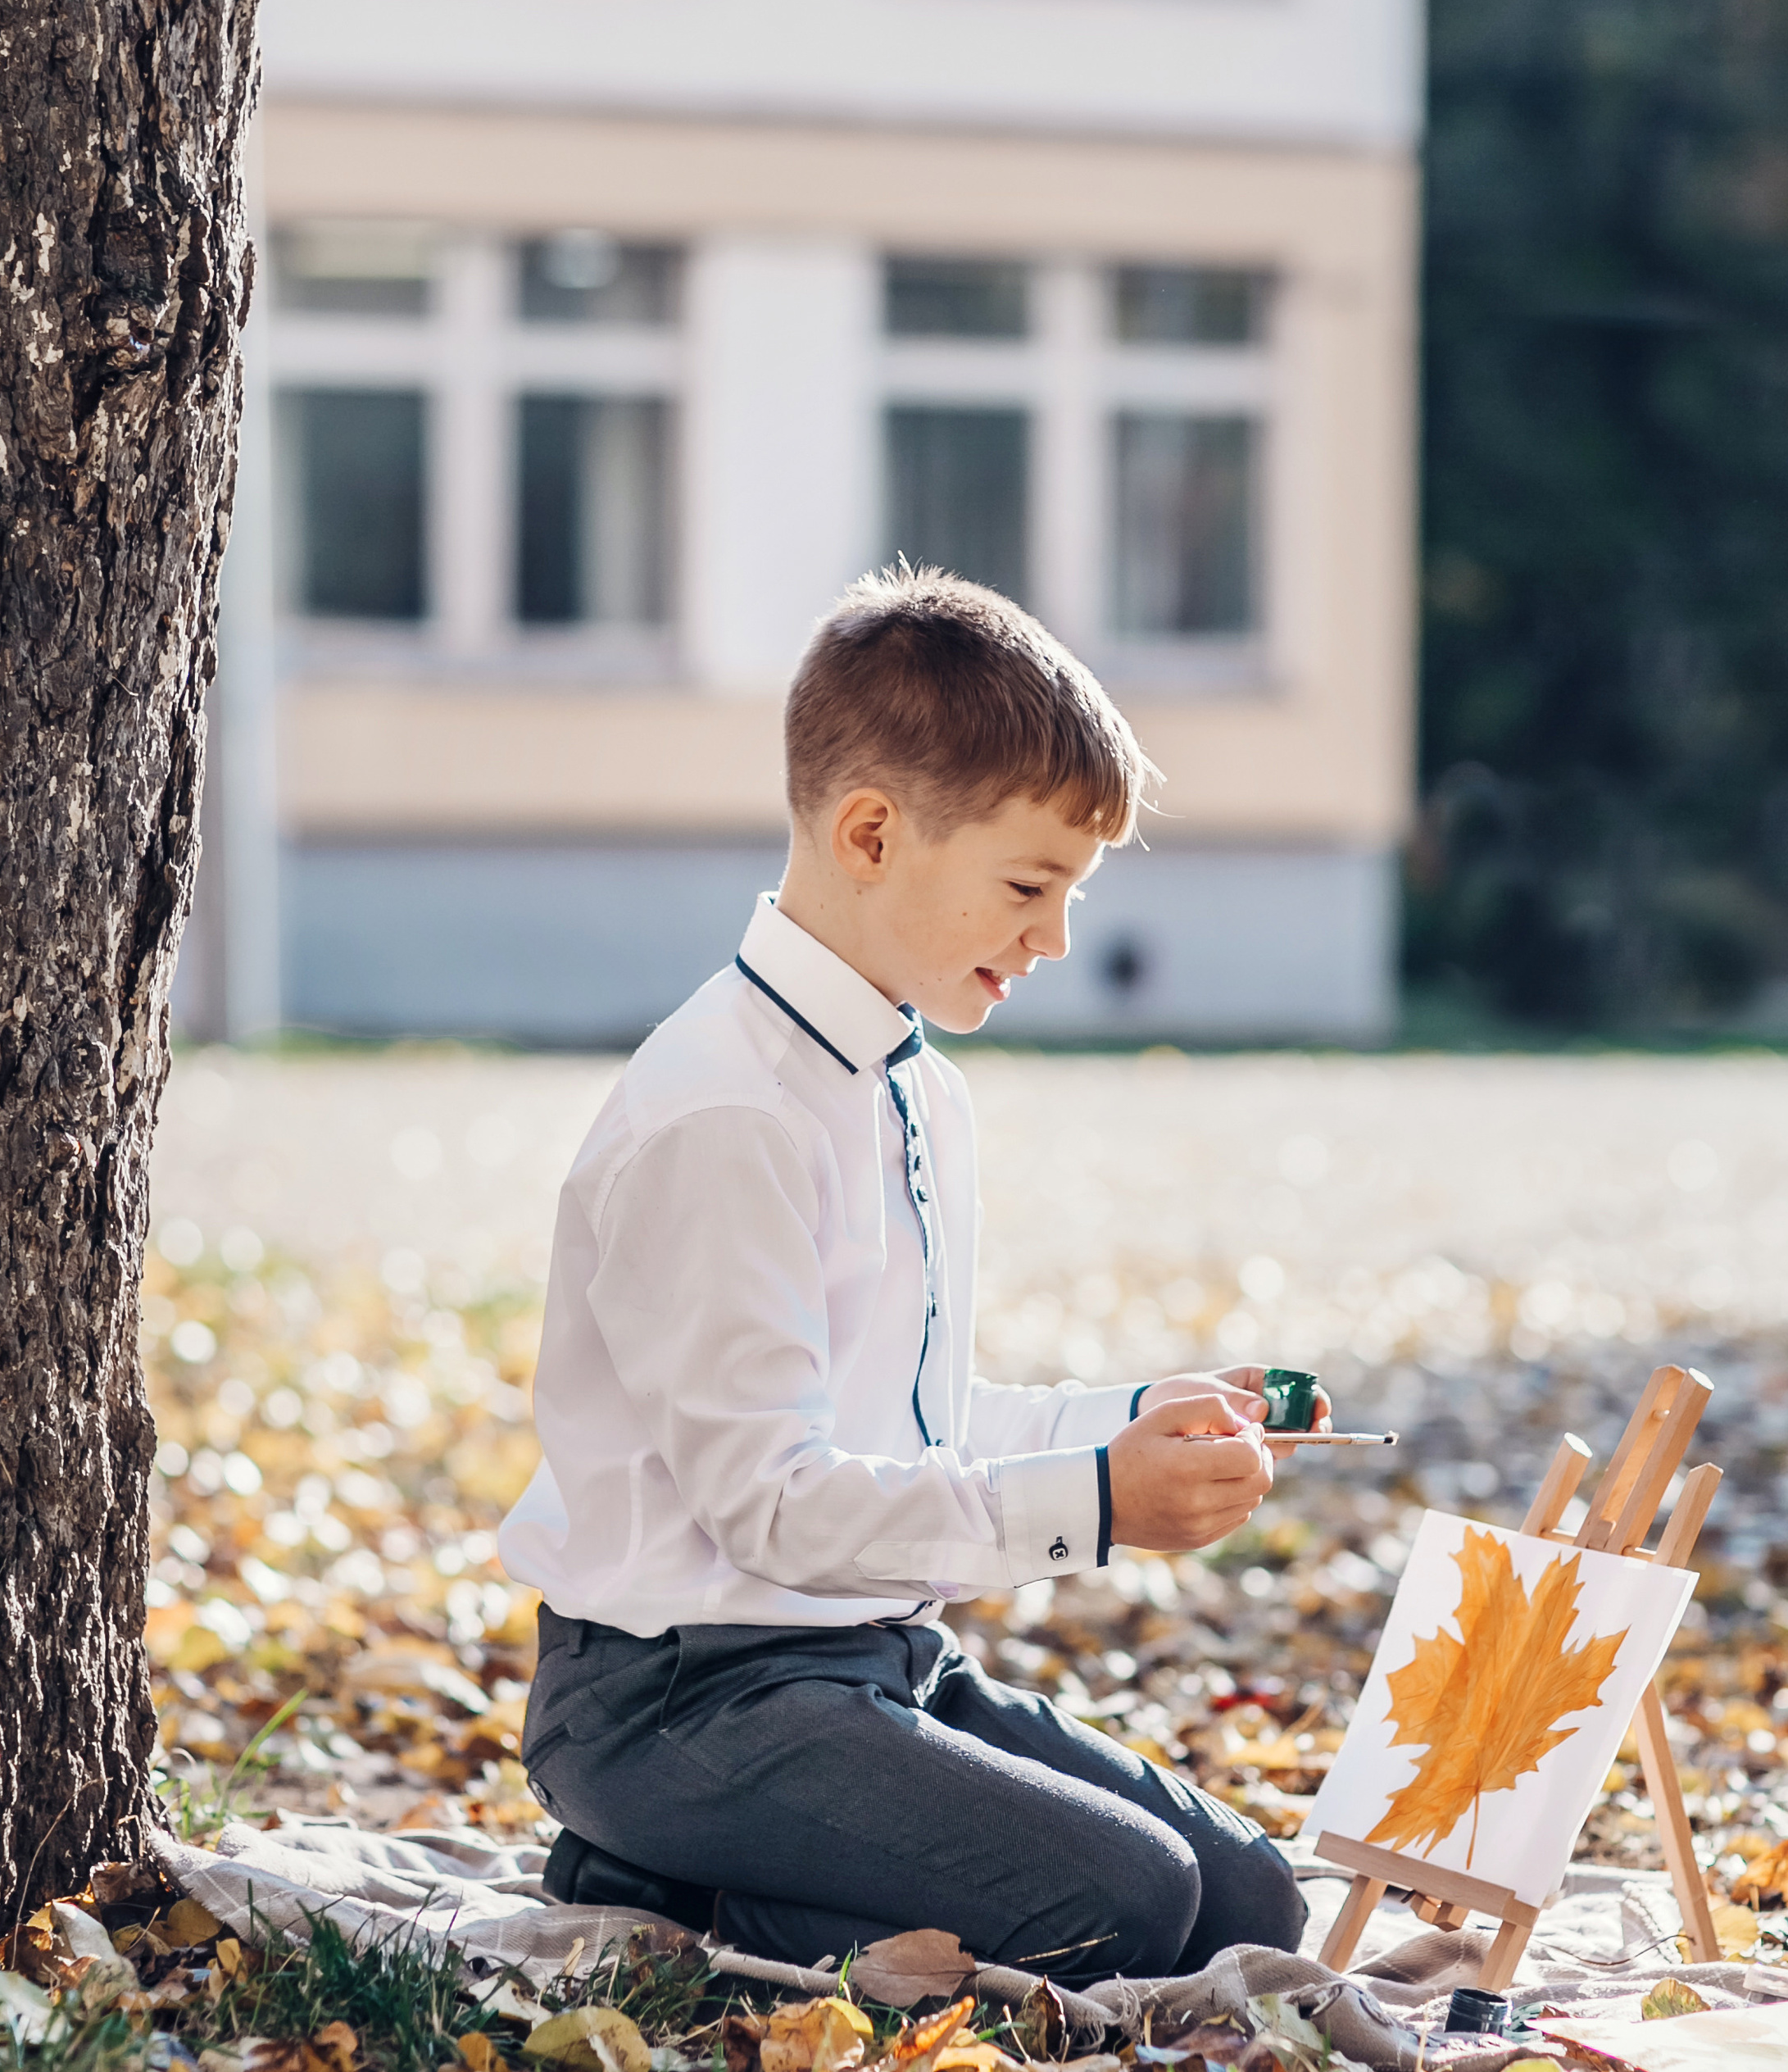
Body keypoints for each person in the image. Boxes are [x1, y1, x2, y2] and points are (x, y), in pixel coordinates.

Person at [501, 564, 1313, 1981]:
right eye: (1027, 885)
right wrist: (1102, 1506)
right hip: (673, 1701)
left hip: (868, 1664)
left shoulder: (912, 1086)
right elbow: (774, 1509)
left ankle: (765, 1854)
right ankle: (638, 1873)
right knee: (1126, 1904)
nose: (1056, 938)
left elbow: (913, 1425)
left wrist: (1126, 1422)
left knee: (1247, 1899)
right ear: (872, 833)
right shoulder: (726, 1114)